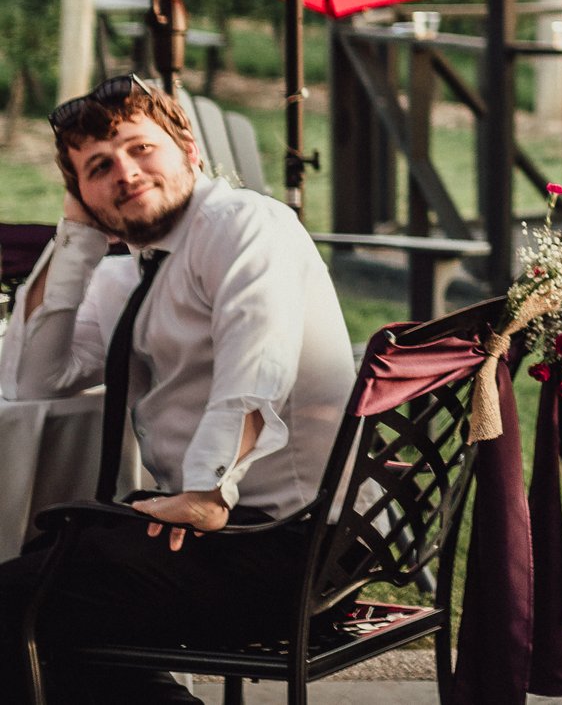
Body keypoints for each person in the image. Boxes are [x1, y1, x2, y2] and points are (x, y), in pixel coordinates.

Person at [0, 75, 355, 705]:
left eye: (141, 149)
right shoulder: (130, 272)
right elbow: (34, 377)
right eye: (99, 167)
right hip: (220, 534)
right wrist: (77, 238)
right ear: (81, 192)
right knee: (44, 571)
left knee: (19, 605)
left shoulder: (244, 225)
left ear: (188, 145)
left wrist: (206, 492)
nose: (126, 174)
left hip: (289, 546)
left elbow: (258, 363)